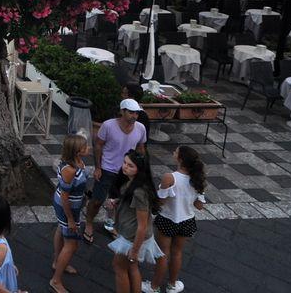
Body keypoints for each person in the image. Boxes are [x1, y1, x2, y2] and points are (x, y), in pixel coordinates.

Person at [84, 98, 148, 243]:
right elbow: (98, 145)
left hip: (126, 173)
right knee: (97, 201)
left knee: (118, 202)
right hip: (107, 169)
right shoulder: (108, 125)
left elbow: (140, 148)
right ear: (122, 111)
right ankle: (89, 223)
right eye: (131, 112)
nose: (134, 116)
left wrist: (140, 169)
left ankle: (110, 224)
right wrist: (98, 167)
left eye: (136, 113)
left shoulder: (141, 128)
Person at [151, 146, 207, 293]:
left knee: (162, 253)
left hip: (168, 219)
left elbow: (161, 201)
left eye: (175, 151)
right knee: (177, 253)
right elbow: (199, 205)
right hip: (187, 221)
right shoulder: (198, 179)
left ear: (180, 159)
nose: (173, 152)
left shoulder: (170, 177)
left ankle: (154, 287)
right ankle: (172, 285)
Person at [107, 150, 164, 293]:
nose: (125, 167)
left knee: (119, 268)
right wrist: (118, 201)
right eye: (124, 163)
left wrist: (135, 250)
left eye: (130, 165)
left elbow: (142, 225)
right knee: (132, 267)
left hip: (132, 237)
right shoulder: (133, 183)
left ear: (139, 169)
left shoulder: (139, 192)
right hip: (131, 234)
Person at [51, 133, 89, 293]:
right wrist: (70, 219)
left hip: (73, 205)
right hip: (67, 207)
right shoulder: (70, 170)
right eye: (85, 147)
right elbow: (66, 197)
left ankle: (57, 262)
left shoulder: (77, 162)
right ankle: (56, 281)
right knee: (71, 245)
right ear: (77, 151)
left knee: (61, 229)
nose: (88, 148)